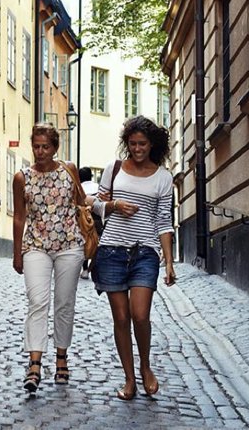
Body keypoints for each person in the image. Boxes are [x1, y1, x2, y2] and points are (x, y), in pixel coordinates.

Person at [92, 115, 177, 400]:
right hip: (111, 250)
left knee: (140, 315)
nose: (137, 149)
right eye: (132, 144)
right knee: (121, 317)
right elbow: (95, 204)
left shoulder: (164, 178)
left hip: (145, 252)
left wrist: (169, 262)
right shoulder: (114, 169)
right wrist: (114, 205)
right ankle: (129, 379)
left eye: (142, 144)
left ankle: (145, 366)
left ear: (152, 144)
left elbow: (164, 221)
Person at [12, 122, 85, 393]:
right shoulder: (22, 177)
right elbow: (20, 216)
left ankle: (62, 358)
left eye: (46, 147)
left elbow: (81, 201)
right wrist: (18, 253)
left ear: (55, 148)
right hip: (36, 246)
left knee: (64, 304)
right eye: (36, 146)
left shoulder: (69, 170)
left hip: (69, 245)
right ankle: (34, 364)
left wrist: (108, 203)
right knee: (37, 302)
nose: (40, 152)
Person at [77, 167, 99, 279]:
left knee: (84, 242)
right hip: (97, 219)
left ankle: (84, 268)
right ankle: (92, 268)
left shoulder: (79, 189)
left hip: (83, 219)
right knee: (96, 243)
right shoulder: (97, 187)